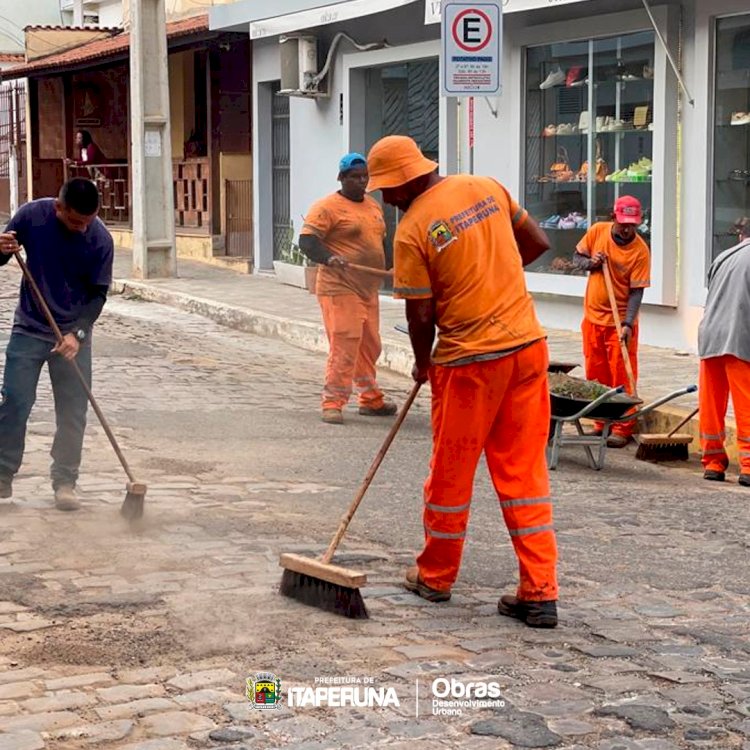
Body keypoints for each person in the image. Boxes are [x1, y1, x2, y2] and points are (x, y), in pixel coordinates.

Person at [366, 135, 559, 628]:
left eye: (387, 189)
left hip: (469, 362)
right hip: (528, 348)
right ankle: (539, 592)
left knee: (451, 472)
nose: (386, 199)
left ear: (407, 179)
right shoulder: (486, 186)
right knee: (524, 475)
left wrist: (421, 363)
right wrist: (495, 281)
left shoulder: (412, 230)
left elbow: (420, 311)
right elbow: (536, 243)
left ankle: (435, 577)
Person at [0, 178, 114, 511]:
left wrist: (77, 334)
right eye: (75, 221)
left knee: (73, 412)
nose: (82, 228)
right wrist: (1, 248)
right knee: (15, 402)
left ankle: (65, 481)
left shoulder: (100, 240)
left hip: (73, 334)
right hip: (30, 328)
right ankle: (2, 476)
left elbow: (98, 295)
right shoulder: (31, 216)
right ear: (58, 208)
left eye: (88, 221)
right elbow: (1, 258)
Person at [299, 153, 397, 424]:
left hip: (368, 287)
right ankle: (332, 402)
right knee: (345, 343)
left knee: (369, 344)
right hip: (338, 286)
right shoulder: (326, 207)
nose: (361, 181)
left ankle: (370, 399)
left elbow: (381, 241)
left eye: (364, 176)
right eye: (354, 177)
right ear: (341, 178)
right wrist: (329, 258)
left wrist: (390, 268)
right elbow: (307, 241)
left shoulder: (373, 206)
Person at [573, 196, 651, 448]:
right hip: (593, 317)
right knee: (596, 374)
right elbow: (577, 258)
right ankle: (600, 422)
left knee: (622, 376)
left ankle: (622, 427)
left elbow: (636, 292)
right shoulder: (597, 232)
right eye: (623, 223)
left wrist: (628, 324)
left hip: (620, 323)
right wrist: (591, 263)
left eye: (632, 225)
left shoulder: (640, 251)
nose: (627, 229)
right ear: (613, 218)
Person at [697, 217, 750, 486]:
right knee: (746, 404)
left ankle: (713, 462)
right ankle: (749, 467)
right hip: (738, 338)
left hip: (709, 336)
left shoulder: (723, 256)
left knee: (711, 404)